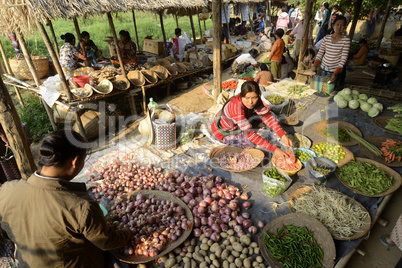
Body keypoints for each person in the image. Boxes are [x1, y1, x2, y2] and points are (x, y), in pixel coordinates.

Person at [0, 130, 132, 267]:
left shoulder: (6, 190)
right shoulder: (81, 206)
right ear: (75, 162)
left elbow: (5, 232)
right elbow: (107, 241)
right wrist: (128, 231)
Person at [211, 81, 293, 159]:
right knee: (249, 143)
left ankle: (245, 126)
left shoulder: (255, 101)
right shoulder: (236, 106)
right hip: (224, 131)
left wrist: (283, 135)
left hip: (238, 122)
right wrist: (275, 149)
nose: (250, 102)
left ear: (258, 96)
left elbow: (267, 117)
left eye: (254, 97)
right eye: (247, 98)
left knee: (264, 115)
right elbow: (249, 134)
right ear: (241, 96)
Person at [312, 15, 350, 90]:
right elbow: (320, 54)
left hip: (335, 72)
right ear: (333, 25)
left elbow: (343, 59)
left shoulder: (346, 40)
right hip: (323, 69)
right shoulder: (326, 38)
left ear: (345, 27)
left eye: (342, 25)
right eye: (337, 24)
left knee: (331, 91)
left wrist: (335, 73)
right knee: (320, 89)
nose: (339, 27)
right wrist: (314, 66)